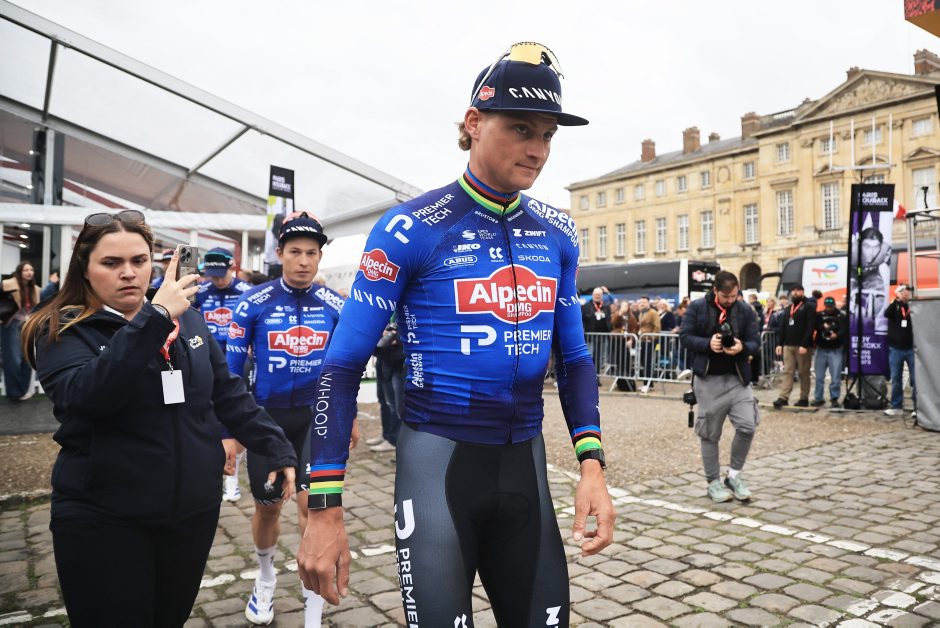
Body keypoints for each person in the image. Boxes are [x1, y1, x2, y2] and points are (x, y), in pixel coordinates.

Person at [297, 41, 615, 626]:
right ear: (473, 123)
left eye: (548, 135)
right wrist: (324, 506)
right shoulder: (410, 228)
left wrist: (592, 466)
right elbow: (340, 366)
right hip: (437, 465)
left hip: (525, 467)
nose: (538, 149)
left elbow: (574, 359)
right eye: (521, 129)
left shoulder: (558, 232)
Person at [20, 210, 296, 627]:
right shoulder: (63, 328)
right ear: (85, 268)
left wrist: (275, 446)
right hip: (106, 517)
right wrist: (155, 319)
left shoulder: (186, 318)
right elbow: (86, 398)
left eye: (139, 260)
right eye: (111, 262)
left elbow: (226, 391)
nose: (128, 273)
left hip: (190, 514)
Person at [226, 211, 349, 626]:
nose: (303, 261)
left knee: (315, 508)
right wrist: (229, 430)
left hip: (317, 420)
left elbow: (345, 371)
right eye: (295, 252)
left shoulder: (335, 305)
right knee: (268, 508)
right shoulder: (252, 303)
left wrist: (348, 418)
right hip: (266, 420)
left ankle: (313, 612)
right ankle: (265, 579)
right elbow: (231, 373)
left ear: (320, 257)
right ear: (279, 254)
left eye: (311, 253)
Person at [679, 270, 761, 502]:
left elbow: (756, 342)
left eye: (733, 296)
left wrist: (742, 347)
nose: (730, 300)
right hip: (708, 380)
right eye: (726, 296)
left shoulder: (745, 310)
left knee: (748, 425)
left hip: (738, 378)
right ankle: (713, 482)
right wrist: (708, 343)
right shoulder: (697, 307)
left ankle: (733, 475)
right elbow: (684, 336)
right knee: (709, 433)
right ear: (715, 290)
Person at [195, 247, 253, 502]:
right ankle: (213, 471)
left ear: (232, 267)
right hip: (206, 360)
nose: (217, 280)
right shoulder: (201, 291)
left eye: (221, 274)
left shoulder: (246, 291)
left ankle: (232, 475)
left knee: (236, 414)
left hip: (237, 361)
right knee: (208, 415)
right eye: (212, 275)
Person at [2, 261, 40, 401]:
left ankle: (23, 391)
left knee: (27, 358)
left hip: (27, 324)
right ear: (20, 272)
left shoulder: (35, 289)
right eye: (26, 270)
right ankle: (14, 393)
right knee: (13, 359)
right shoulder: (8, 285)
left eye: (31, 270)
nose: (29, 272)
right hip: (12, 324)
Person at [773, 285, 816, 408]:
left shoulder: (809, 307)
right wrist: (779, 343)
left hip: (802, 346)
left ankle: (804, 398)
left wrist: (805, 344)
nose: (795, 293)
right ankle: (783, 397)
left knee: (803, 372)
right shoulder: (788, 309)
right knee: (787, 371)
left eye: (798, 291)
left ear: (802, 292)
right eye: (793, 291)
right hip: (788, 345)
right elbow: (783, 327)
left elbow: (810, 327)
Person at [367, 320, 405, 452]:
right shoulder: (386, 313)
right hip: (384, 361)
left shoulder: (407, 315)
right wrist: (383, 334)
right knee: (384, 402)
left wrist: (396, 336)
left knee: (394, 405)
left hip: (398, 365)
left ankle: (394, 440)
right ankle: (386, 435)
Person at [884, 284, 916, 417]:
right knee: (896, 378)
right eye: (902, 292)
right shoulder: (895, 306)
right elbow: (887, 314)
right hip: (895, 348)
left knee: (916, 378)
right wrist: (896, 300)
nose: (905, 294)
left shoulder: (914, 305)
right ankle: (896, 405)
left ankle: (918, 407)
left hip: (912, 348)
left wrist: (909, 301)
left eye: (906, 291)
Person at [813, 296, 847, 408]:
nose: (829, 309)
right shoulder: (819, 315)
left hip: (835, 349)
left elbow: (844, 329)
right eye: (827, 307)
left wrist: (836, 335)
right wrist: (823, 327)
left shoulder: (841, 316)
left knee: (836, 376)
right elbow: (815, 326)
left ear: (834, 306)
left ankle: (834, 397)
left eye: (831, 307)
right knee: (819, 376)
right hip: (821, 348)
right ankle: (818, 397)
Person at [582, 286, 613, 374]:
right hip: (590, 337)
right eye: (595, 294)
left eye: (599, 295)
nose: (597, 296)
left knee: (600, 357)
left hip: (603, 337)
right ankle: (588, 375)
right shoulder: (586, 306)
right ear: (592, 295)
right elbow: (583, 320)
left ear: (602, 296)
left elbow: (609, 318)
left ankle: (597, 375)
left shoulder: (606, 306)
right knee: (590, 356)